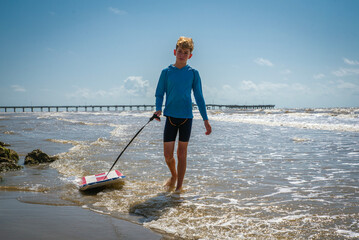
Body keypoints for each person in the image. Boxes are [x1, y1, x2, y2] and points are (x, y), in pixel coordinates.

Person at [154, 36, 212, 193]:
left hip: (187, 117)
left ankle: (179, 188)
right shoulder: (166, 72)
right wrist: (158, 108)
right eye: (180, 51)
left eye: (185, 52)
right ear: (174, 52)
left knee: (181, 154)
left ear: (190, 55)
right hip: (171, 117)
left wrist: (205, 120)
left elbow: (199, 98)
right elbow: (159, 93)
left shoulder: (193, 73)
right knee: (168, 155)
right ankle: (174, 176)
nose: (182, 55)